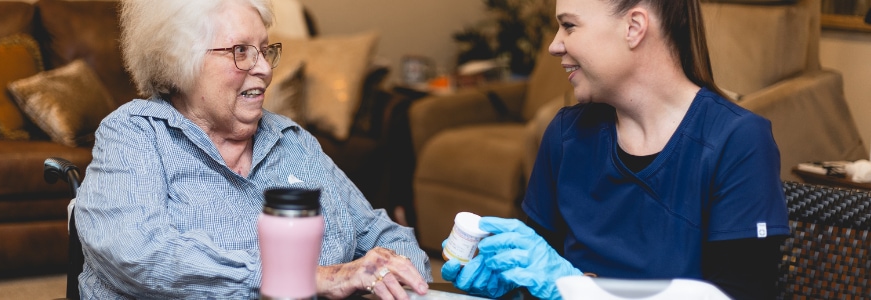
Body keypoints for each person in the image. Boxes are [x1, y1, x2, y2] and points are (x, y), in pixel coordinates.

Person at [73, 0, 431, 298]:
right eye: (241, 51)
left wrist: (404, 278)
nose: (263, 69)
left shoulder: (294, 141)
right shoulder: (134, 135)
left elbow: (380, 233)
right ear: (180, 60)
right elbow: (135, 253)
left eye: (265, 49)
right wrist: (305, 277)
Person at [441, 0, 790, 299]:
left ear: (634, 27)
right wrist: (513, 285)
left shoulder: (737, 141)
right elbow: (541, 275)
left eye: (569, 26)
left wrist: (576, 287)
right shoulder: (566, 134)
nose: (554, 45)